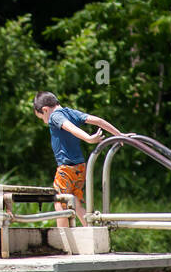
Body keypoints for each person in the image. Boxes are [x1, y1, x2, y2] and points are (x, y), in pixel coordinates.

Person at [32, 92, 121, 226]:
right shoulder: (70, 112)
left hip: (66, 168)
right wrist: (120, 135)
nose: (44, 121)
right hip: (80, 167)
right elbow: (98, 121)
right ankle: (91, 232)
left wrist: (89, 138)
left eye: (41, 118)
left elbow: (70, 127)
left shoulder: (55, 116)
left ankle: (63, 239)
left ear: (45, 110)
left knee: (59, 202)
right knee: (75, 203)